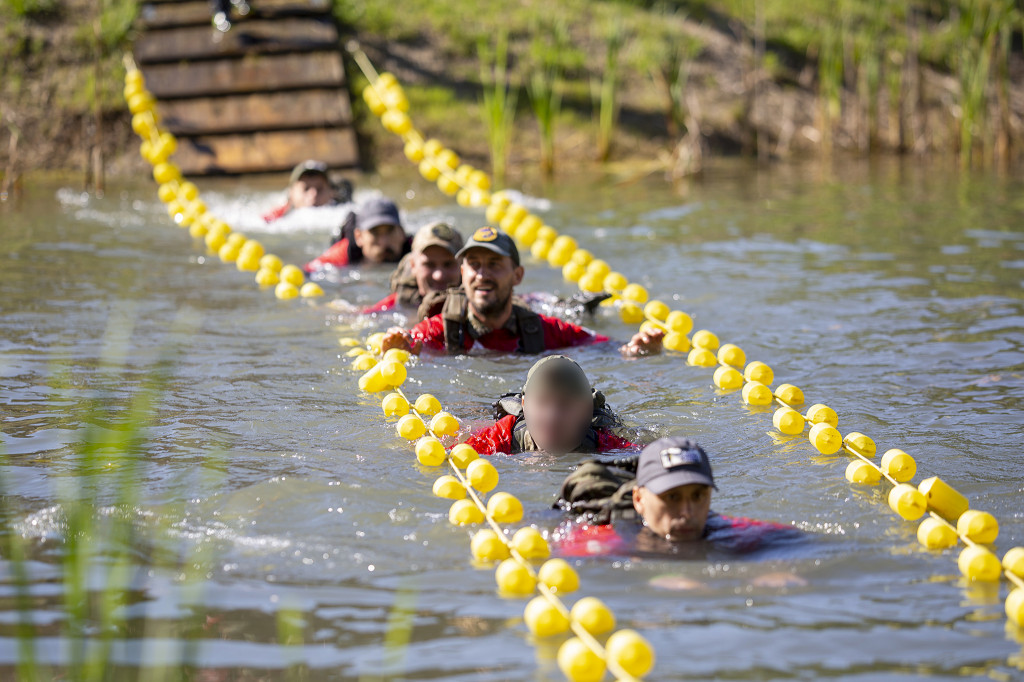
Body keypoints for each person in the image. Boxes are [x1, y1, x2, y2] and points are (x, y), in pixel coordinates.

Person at [380, 227, 665, 357]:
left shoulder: (541, 330)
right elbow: (411, 347)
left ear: (517, 275)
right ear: (463, 274)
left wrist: (638, 349)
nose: (482, 275)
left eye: (494, 265)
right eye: (474, 265)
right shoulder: (439, 330)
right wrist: (397, 349)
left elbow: (607, 347)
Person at [552, 437, 801, 558]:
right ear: (639, 499)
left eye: (698, 496)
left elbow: (802, 542)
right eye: (671, 497)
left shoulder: (725, 528)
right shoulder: (597, 542)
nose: (687, 512)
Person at [464, 356, 639, 455]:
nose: (552, 416)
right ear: (524, 405)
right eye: (542, 402)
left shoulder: (610, 443)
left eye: (565, 404)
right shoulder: (502, 435)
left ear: (587, 410)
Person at [362, 221, 464, 319]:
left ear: (462, 266)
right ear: (413, 265)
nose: (439, 275)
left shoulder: (474, 303)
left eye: (448, 264)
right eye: (429, 265)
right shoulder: (394, 304)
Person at [303, 197, 412, 274]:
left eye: (390, 231)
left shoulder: (416, 251)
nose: (383, 242)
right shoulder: (343, 252)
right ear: (358, 237)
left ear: (402, 233)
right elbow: (309, 270)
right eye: (375, 232)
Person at [262, 160, 350, 223]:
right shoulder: (276, 216)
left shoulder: (343, 213)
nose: (313, 195)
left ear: (332, 193)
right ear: (291, 193)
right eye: (306, 189)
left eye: (319, 189)